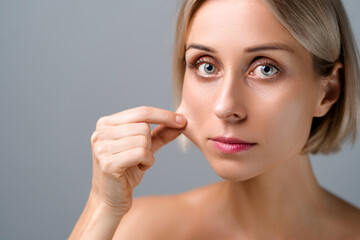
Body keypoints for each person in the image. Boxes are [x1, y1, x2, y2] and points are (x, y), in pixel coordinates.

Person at [69, 0, 360, 239]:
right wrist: (101, 205)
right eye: (207, 66)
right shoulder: (140, 229)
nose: (225, 106)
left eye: (266, 69)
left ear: (327, 91)